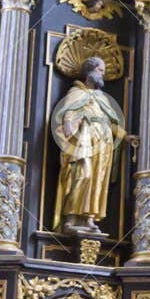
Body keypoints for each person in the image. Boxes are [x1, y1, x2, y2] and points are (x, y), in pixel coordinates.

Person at [51, 55, 128, 233]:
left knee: (97, 179)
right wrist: (69, 125)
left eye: (103, 71)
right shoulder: (76, 92)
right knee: (82, 175)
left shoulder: (102, 98)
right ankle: (71, 217)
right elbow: (67, 113)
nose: (103, 74)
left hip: (103, 142)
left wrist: (125, 137)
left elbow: (110, 122)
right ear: (90, 71)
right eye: (100, 70)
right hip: (84, 140)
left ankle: (89, 218)